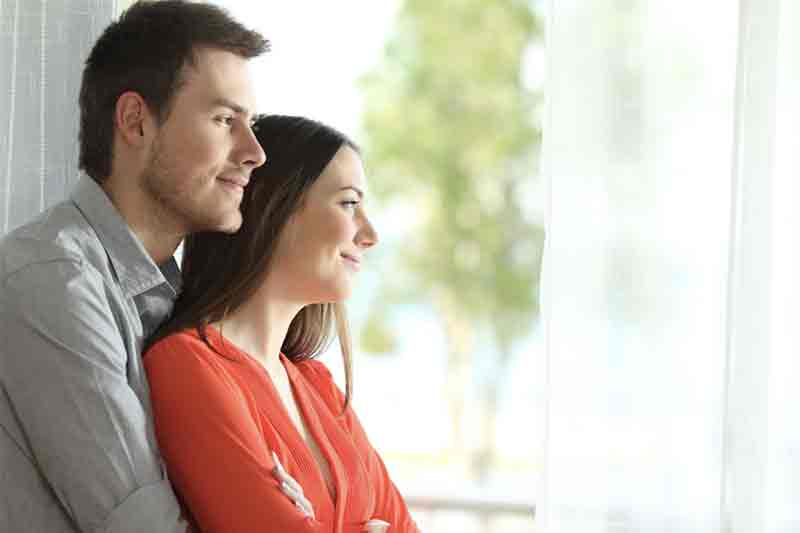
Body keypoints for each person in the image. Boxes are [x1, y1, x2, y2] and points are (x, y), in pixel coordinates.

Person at [0, 2, 268, 531]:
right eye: (225, 120)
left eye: (251, 124)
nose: (254, 151)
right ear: (135, 122)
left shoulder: (175, 299)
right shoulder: (52, 280)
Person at [143, 115, 420, 533]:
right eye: (349, 204)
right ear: (274, 207)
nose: (370, 234)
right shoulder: (185, 365)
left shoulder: (318, 385)